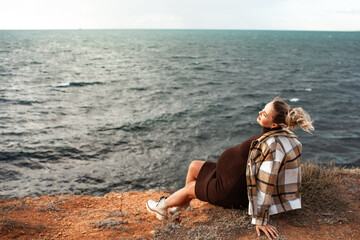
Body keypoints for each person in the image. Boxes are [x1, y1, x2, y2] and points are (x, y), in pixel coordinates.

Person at [146, 97, 314, 240]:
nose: (259, 113)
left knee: (190, 188)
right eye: (262, 109)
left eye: (264, 113)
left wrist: (261, 219)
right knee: (194, 166)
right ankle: (182, 204)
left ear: (274, 124)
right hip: (226, 175)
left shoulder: (273, 145)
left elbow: (266, 182)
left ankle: (163, 207)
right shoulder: (279, 133)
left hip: (229, 189)